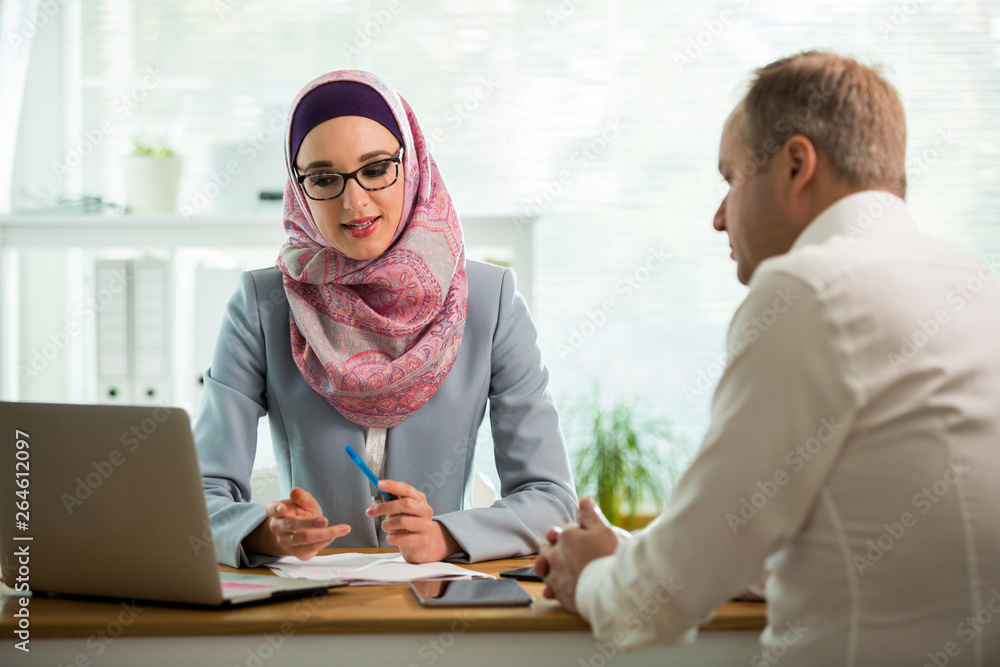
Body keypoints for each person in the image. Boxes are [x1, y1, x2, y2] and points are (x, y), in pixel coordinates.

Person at [536, 51, 1000, 665]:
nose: (719, 216)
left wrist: (586, 575)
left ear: (796, 165)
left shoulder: (809, 291)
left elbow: (656, 605)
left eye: (730, 179)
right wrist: (630, 548)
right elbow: (824, 532)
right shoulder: (974, 283)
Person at [195, 70, 576, 569]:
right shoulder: (264, 304)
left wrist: (444, 535)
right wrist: (268, 533)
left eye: (376, 169)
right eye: (324, 179)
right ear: (298, 187)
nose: (355, 202)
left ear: (412, 163)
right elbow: (200, 495)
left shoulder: (489, 300)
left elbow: (549, 498)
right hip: (310, 610)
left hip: (435, 606)